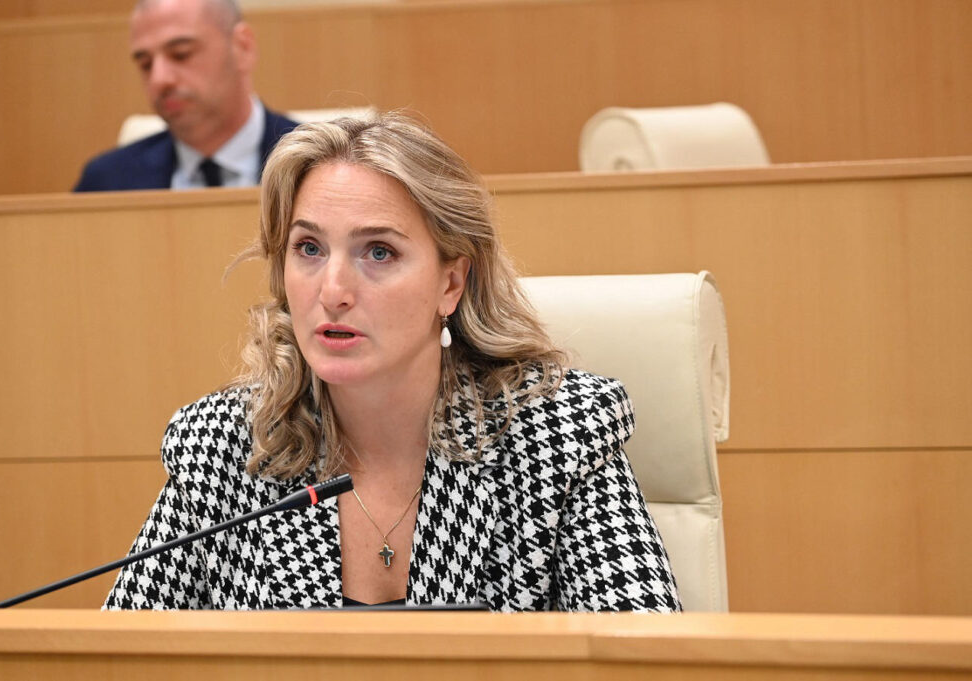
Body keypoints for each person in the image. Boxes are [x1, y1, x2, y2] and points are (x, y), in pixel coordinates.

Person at [105, 112, 681, 612]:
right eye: (309, 248)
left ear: (450, 283)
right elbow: (121, 657)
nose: (333, 290)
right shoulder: (225, 449)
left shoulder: (557, 438)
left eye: (378, 252)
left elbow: (647, 659)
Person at [74, 0, 296, 192]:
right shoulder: (105, 182)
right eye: (146, 64)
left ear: (242, 47)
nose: (159, 79)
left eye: (181, 54)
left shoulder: (314, 162)